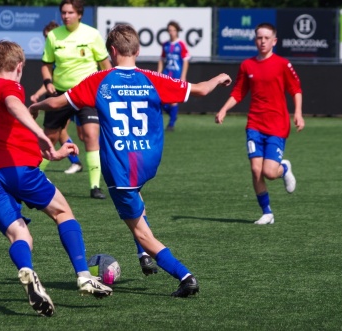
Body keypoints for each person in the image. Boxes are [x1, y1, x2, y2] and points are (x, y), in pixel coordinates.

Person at [30, 24, 232, 297]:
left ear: (111, 51)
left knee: (141, 233)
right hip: (148, 160)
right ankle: (143, 256)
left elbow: (57, 104)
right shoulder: (153, 78)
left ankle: (185, 276)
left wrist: (35, 106)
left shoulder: (98, 81)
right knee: (137, 201)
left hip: (120, 167)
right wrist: (219, 77)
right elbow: (201, 90)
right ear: (137, 50)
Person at [0, 40, 112, 317]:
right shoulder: (10, 86)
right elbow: (13, 104)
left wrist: (51, 154)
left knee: (19, 234)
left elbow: (2, 132)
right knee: (63, 212)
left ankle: (27, 270)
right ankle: (83, 275)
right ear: (19, 67)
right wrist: (42, 134)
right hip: (17, 170)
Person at [215, 22, 305, 225]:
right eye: (259, 38)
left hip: (277, 125)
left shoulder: (282, 64)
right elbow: (239, 91)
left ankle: (284, 167)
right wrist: (223, 109)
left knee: (269, 173)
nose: (262, 41)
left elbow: (295, 89)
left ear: (274, 41)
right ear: (255, 40)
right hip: (254, 124)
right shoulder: (247, 65)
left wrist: (298, 113)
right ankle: (267, 213)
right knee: (256, 170)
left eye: (266, 38)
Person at [40, 0, 112, 199]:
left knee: (90, 135)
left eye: (70, 12)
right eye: (63, 12)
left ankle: (95, 186)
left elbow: (105, 64)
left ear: (79, 14)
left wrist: (109, 87)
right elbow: (46, 64)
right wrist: (48, 82)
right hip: (60, 95)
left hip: (87, 94)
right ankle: (33, 176)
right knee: (50, 138)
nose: (66, 16)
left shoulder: (92, 34)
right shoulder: (54, 36)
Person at [31, 20, 83, 175]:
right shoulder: (51, 54)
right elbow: (50, 81)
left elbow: (52, 80)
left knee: (74, 134)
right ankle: (75, 162)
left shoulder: (63, 55)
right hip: (57, 97)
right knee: (60, 132)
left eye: (49, 37)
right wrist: (40, 93)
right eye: (46, 37)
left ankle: (75, 162)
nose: (48, 40)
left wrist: (39, 94)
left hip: (66, 97)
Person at [157, 20, 190, 132]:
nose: (171, 32)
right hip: (167, 74)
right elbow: (161, 59)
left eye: (173, 30)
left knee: (173, 100)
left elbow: (185, 61)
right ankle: (173, 115)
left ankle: (171, 124)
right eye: (170, 30)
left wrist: (183, 76)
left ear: (177, 31)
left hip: (176, 74)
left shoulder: (180, 44)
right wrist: (158, 73)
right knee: (161, 99)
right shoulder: (165, 45)